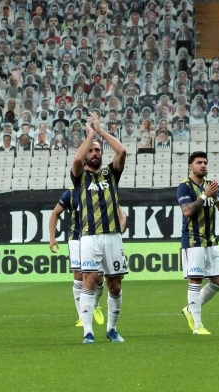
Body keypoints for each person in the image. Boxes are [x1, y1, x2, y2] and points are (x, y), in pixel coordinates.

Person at [70, 113, 128, 344]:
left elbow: (122, 151)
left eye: (98, 150)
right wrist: (90, 136)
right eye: (92, 151)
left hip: (112, 236)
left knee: (115, 284)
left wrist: (101, 132)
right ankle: (88, 332)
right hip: (90, 237)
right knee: (90, 280)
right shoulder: (80, 176)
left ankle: (112, 329)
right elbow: (76, 160)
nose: (95, 153)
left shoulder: (111, 173)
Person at [177, 151, 219, 335]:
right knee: (196, 280)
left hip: (211, 240)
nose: (203, 165)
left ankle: (190, 309)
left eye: (205, 162)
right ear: (190, 166)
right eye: (199, 162)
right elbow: (187, 211)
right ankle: (197, 325)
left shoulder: (211, 186)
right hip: (193, 241)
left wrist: (215, 198)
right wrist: (205, 196)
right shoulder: (184, 187)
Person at [49, 186, 106, 327]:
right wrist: (52, 237)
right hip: (76, 238)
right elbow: (55, 213)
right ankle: (82, 316)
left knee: (99, 278)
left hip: (95, 237)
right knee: (79, 275)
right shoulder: (71, 193)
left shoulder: (98, 189)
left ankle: (95, 305)